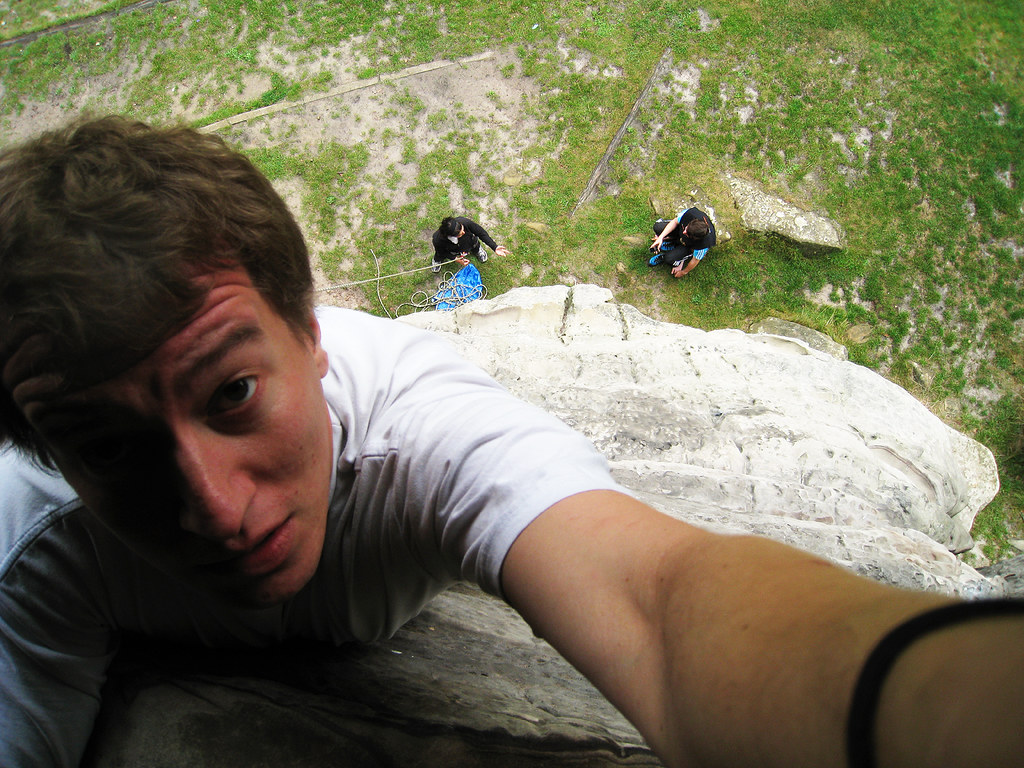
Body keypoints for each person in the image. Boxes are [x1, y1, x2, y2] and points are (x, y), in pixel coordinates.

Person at [0, 116, 1021, 768]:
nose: (215, 509)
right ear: (45, 451)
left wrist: (952, 712)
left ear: (311, 332)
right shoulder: (34, 542)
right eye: (111, 448)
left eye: (231, 393)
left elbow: (657, 603)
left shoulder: (426, 432)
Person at [649, 207, 716, 277]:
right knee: (658, 227)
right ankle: (673, 243)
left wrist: (683, 272)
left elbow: (695, 260)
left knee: (669, 259)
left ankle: (679, 258)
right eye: (686, 228)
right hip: (682, 232)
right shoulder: (690, 214)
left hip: (689, 246)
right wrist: (661, 237)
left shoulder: (703, 245)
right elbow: (675, 222)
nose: (684, 232)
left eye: (687, 233)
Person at [431, 215, 509, 272]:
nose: (464, 232)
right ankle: (437, 261)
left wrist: (494, 247)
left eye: (462, 229)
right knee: (439, 255)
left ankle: (478, 251)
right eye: (460, 234)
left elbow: (481, 233)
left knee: (475, 245)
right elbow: (443, 252)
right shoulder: (438, 240)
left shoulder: (465, 222)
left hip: (470, 242)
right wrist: (456, 259)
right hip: (452, 249)